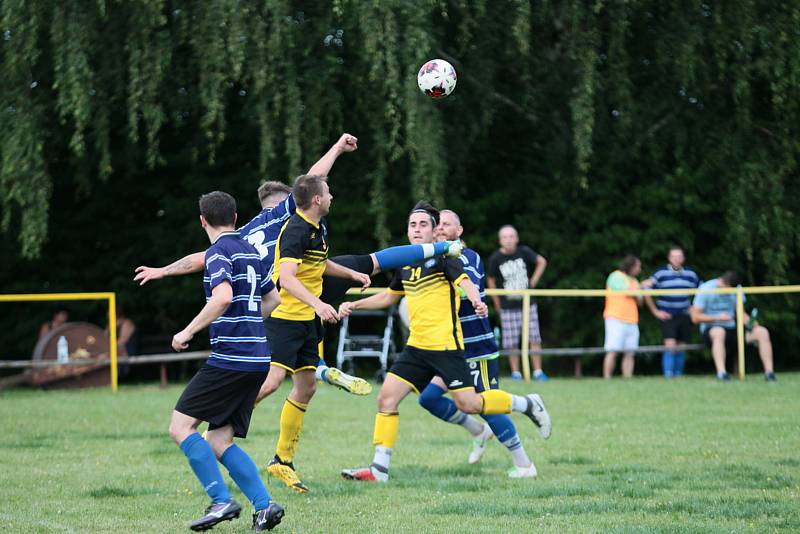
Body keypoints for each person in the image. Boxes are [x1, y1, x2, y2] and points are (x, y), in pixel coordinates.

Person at [134, 133, 461, 396]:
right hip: (291, 293)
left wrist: (162, 271)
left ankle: (313, 368)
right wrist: (336, 148)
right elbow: (314, 178)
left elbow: (198, 259)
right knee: (373, 262)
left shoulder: (242, 233)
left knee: (291, 365)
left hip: (289, 293)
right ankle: (312, 368)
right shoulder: (285, 215)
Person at [338, 202, 551, 483]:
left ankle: (525, 406)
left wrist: (476, 299)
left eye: (423, 225)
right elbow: (390, 297)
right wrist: (356, 305)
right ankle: (379, 469)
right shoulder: (405, 261)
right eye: (412, 225)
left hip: (448, 348)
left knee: (471, 403)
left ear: (434, 230)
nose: (417, 230)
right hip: (416, 348)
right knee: (387, 398)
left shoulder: (448, 257)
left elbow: (466, 282)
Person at [167, 191, 284, 532]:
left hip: (231, 359)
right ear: (235, 218)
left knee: (180, 427)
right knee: (218, 440)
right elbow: (273, 298)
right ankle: (264, 506)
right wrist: (246, 318)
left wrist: (187, 331)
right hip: (258, 358)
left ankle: (220, 501)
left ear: (202, 221)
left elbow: (222, 297)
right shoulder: (250, 251)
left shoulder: (217, 252)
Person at [260, 174, 373, 493]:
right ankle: (220, 428)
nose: (332, 195)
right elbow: (288, 279)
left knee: (307, 387)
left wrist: (351, 273)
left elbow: (318, 264)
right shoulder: (295, 230)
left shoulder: (316, 228)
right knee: (270, 383)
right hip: (285, 319)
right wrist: (320, 304)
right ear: (316, 200)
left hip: (306, 322)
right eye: (328, 192)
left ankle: (282, 461)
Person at [417, 209, 543, 478]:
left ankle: (524, 464)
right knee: (428, 398)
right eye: (437, 224)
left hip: (476, 347)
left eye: (447, 225)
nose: (440, 228)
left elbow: (465, 287)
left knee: (484, 404)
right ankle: (478, 431)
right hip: (451, 347)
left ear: (459, 231)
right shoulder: (432, 258)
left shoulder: (466, 256)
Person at [487, 225, 549, 381]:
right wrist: (497, 301)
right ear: (500, 240)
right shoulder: (496, 258)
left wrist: (533, 280)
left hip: (528, 304)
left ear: (516, 238)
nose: (508, 240)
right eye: (505, 237)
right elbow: (491, 280)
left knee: (534, 338)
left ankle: (538, 371)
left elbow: (541, 261)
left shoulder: (524, 252)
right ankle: (516, 373)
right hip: (508, 306)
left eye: (511, 236)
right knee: (511, 341)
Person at [690, 271, 776, 381]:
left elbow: (741, 313)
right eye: (725, 289)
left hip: (733, 330)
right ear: (721, 281)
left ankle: (769, 373)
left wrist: (751, 323)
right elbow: (695, 318)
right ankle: (722, 373)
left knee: (762, 332)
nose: (726, 293)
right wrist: (717, 318)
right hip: (711, 329)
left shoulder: (737, 289)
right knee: (719, 331)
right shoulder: (706, 288)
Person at [643, 246, 700, 378]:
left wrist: (694, 307)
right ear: (669, 258)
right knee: (670, 344)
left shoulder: (691, 274)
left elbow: (702, 291)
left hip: (684, 314)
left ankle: (678, 375)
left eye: (679, 256)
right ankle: (668, 375)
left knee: (681, 346)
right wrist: (655, 312)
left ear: (683, 259)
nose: (677, 259)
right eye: (674, 256)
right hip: (668, 315)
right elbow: (646, 289)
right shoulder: (661, 273)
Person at [602, 255, 642, 379]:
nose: (640, 269)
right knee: (612, 351)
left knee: (630, 352)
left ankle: (627, 377)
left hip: (632, 319)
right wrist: (638, 291)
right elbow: (628, 293)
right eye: (638, 266)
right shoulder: (616, 276)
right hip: (616, 318)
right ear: (631, 266)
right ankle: (607, 378)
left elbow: (640, 302)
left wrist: (638, 292)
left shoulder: (634, 281)